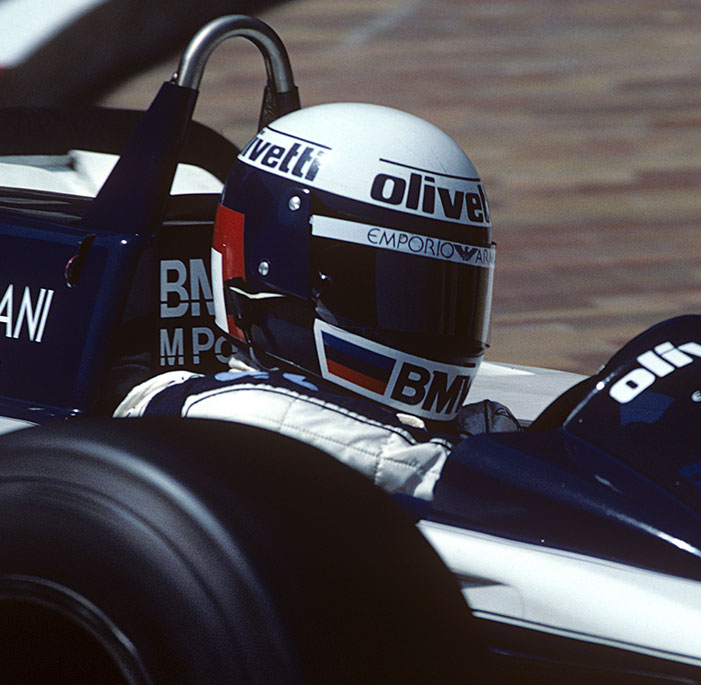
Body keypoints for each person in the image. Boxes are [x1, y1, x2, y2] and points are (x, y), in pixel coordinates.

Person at [116, 102, 516, 500]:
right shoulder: (225, 413)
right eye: (392, 290)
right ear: (275, 275)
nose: (427, 319)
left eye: (443, 293)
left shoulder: (448, 435)